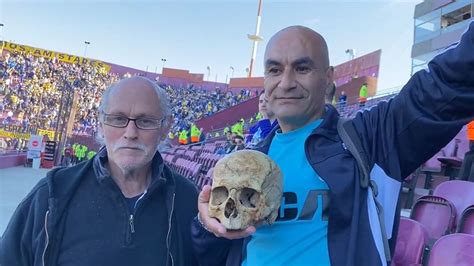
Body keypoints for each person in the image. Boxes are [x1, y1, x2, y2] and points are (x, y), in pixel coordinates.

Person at [191, 23, 474, 265]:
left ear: (328, 78)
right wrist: (206, 226)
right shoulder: (249, 161)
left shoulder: (371, 137)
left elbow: (449, 84)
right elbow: (208, 253)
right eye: (275, 70)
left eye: (302, 68)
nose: (286, 82)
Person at [0, 77, 198, 265]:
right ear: (101, 123)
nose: (130, 133)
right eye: (118, 119)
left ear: (165, 127)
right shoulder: (52, 193)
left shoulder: (188, 200)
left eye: (145, 121)